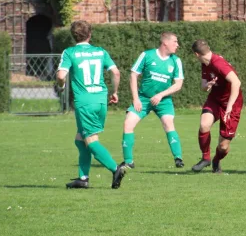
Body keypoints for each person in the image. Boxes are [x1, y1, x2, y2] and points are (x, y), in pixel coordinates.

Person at [56, 20, 126, 189]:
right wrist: (114, 92)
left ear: (73, 36)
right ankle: (83, 178)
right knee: (80, 139)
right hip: (100, 100)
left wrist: (61, 85)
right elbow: (116, 72)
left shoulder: (70, 52)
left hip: (85, 102)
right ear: (90, 34)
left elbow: (60, 76)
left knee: (90, 139)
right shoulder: (100, 52)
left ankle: (115, 169)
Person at [122, 32, 185, 169]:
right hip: (143, 98)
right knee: (128, 124)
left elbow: (178, 84)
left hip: (164, 100)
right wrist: (136, 99)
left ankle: (178, 158)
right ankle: (128, 161)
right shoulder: (147, 55)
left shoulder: (176, 60)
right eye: (175, 41)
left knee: (168, 123)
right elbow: (133, 75)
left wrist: (161, 95)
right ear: (165, 43)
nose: (177, 45)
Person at [191, 40, 243, 173]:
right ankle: (205, 158)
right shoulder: (205, 63)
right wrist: (208, 84)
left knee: (223, 147)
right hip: (215, 99)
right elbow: (203, 86)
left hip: (231, 104)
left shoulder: (218, 63)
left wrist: (230, 105)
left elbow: (236, 82)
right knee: (204, 125)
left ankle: (216, 160)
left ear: (196, 54)